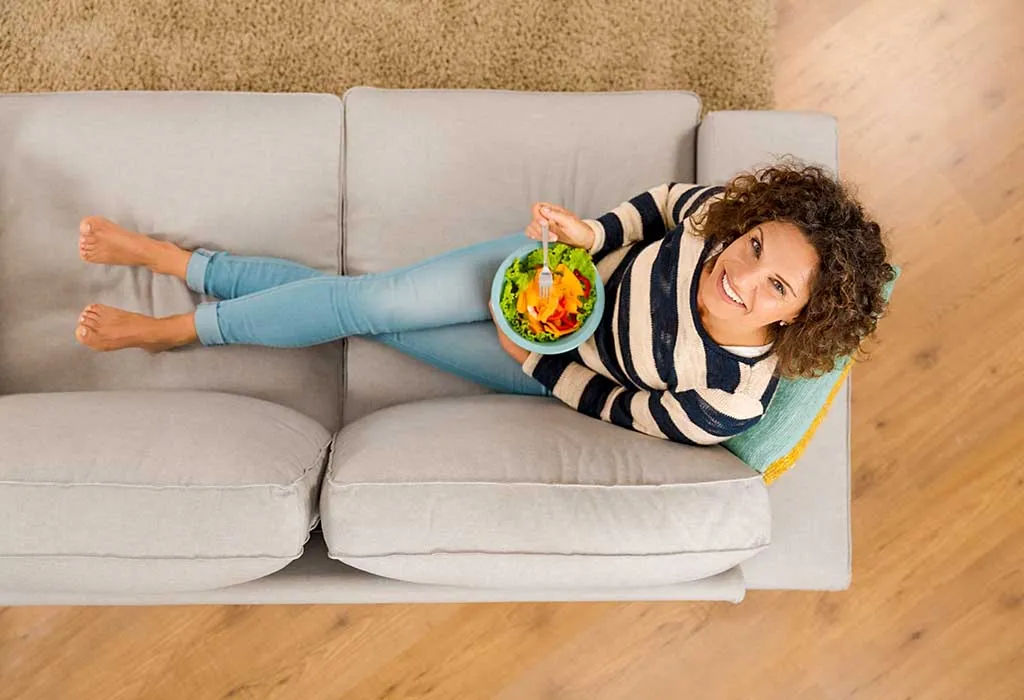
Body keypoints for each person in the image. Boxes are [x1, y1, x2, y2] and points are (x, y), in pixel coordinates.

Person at [74, 162, 895, 446]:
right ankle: (177, 298)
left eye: (775, 286)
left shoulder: (729, 398)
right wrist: (590, 231)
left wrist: (537, 363)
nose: (741, 276)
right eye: (754, 248)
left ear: (795, 317)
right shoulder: (724, 221)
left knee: (365, 312)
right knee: (364, 300)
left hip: (547, 360)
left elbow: (621, 407)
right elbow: (670, 202)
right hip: (544, 275)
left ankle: (180, 281)